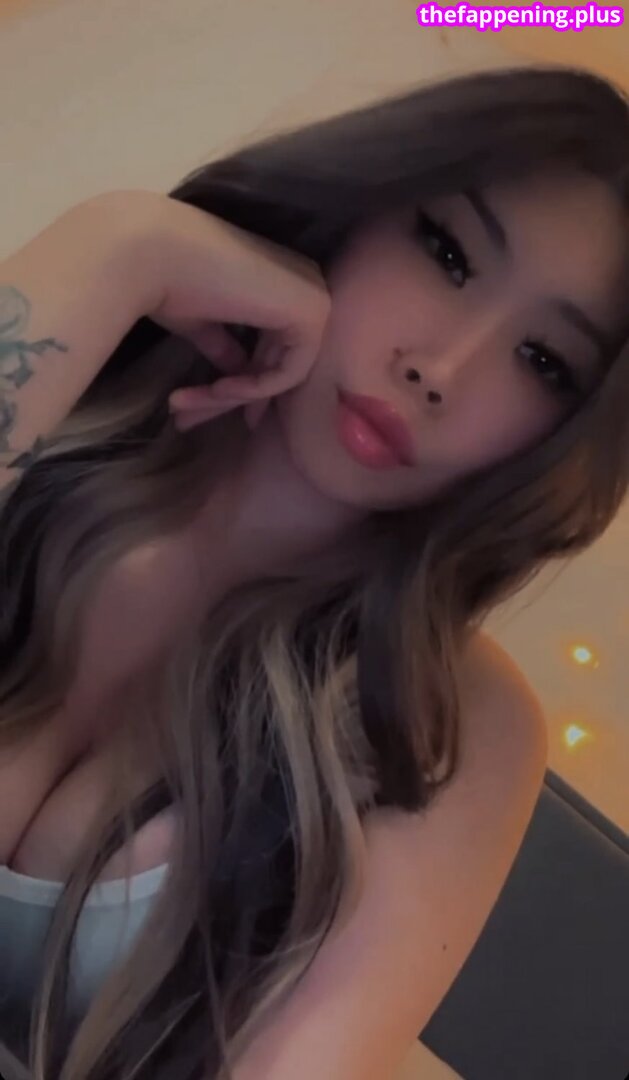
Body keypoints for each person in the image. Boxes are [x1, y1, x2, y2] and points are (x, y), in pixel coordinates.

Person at [0, 63, 628, 1080]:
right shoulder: (51, 420)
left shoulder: (440, 721)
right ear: (368, 196)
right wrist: (122, 242)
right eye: (446, 252)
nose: (441, 367)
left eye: (543, 361)